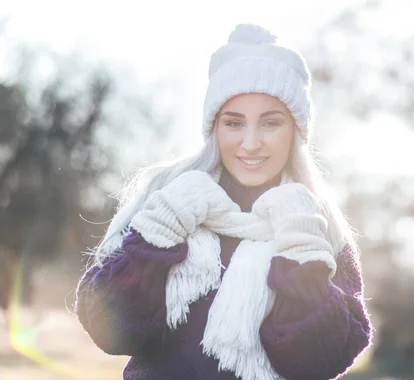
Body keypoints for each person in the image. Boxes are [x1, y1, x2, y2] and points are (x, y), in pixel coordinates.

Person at [75, 23, 372, 380]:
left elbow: (320, 362)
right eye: (234, 123)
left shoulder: (318, 226)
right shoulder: (166, 199)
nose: (250, 143)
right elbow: (108, 328)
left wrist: (303, 262)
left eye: (270, 123)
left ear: (294, 131)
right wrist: (156, 236)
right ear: (214, 128)